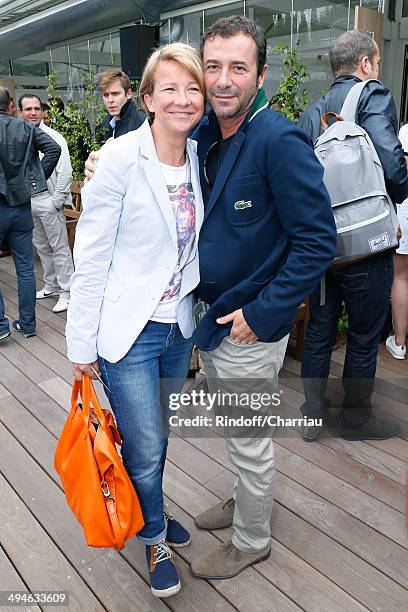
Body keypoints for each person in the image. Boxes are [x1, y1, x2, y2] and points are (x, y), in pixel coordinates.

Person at [188, 16, 337, 580]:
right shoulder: (209, 134)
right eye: (214, 66)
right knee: (234, 425)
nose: (223, 80)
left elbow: (318, 239)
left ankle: (252, 538)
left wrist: (263, 314)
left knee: (250, 438)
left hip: (249, 325)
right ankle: (242, 501)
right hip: (214, 319)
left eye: (238, 68)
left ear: (260, 74)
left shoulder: (278, 138)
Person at [66, 43, 204, 598]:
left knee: (158, 436)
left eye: (191, 87)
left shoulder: (200, 156)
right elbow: (91, 255)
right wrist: (81, 344)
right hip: (128, 333)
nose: (182, 98)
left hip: (178, 329)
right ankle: (153, 535)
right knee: (145, 444)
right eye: (168, 87)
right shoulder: (120, 158)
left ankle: (154, 506)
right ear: (146, 98)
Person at [299, 30, 408, 441]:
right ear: (365, 64)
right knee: (364, 334)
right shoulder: (371, 96)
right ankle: (356, 419)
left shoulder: (312, 113)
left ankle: (312, 416)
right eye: (376, 63)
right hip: (365, 247)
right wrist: (396, 193)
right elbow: (393, 168)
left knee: (321, 327)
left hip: (322, 246)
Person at [0, 86, 61, 340]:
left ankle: (1, 327)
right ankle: (27, 325)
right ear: (11, 105)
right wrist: (34, 180)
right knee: (25, 268)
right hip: (22, 206)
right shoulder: (25, 128)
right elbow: (53, 149)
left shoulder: (24, 127)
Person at [19, 94, 74, 313]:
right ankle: (51, 285)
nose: (33, 112)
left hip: (49, 200)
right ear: (20, 111)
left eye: (36, 108)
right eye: (28, 109)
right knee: (42, 246)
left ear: (42, 111)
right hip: (28, 201)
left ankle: (67, 292)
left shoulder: (54, 137)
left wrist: (56, 202)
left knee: (59, 247)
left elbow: (65, 173)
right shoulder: (20, 135)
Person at [386, 124, 408, 359]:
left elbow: (400, 172)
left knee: (400, 276)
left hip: (407, 207)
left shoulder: (407, 132)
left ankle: (400, 342)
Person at [98, 68, 145, 142]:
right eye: (106, 95)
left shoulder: (143, 124)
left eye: (115, 94)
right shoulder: (104, 124)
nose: (110, 100)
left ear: (128, 93)